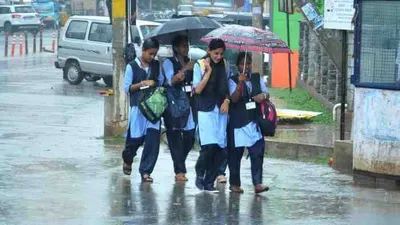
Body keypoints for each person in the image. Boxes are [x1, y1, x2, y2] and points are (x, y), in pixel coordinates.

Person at [122, 38, 164, 183]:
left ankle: (145, 171)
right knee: (134, 140)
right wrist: (143, 83)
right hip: (138, 109)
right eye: (150, 54)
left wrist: (157, 84)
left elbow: (161, 82)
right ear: (144, 51)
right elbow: (127, 88)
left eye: (155, 54)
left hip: (153, 109)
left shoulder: (157, 66)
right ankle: (128, 159)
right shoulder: (132, 66)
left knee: (152, 141)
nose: (152, 57)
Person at [227, 52, 270, 194]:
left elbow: (266, 93)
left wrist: (262, 96)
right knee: (235, 155)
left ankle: (257, 183)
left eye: (249, 63)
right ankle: (234, 184)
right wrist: (240, 82)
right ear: (238, 65)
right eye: (243, 64)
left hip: (254, 121)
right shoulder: (232, 79)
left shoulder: (257, 78)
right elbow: (233, 98)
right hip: (238, 122)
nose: (246, 67)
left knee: (257, 151)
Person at [193, 38, 230, 191]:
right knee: (208, 147)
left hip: (220, 110)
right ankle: (200, 173)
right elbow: (197, 90)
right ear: (209, 51)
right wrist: (208, 73)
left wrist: (227, 100)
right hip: (205, 110)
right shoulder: (200, 65)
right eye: (216, 53)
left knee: (220, 148)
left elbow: (227, 85)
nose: (218, 57)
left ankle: (210, 181)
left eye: (221, 54)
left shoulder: (225, 65)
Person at [162, 35, 196, 182]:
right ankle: (179, 170)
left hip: (189, 103)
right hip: (174, 103)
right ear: (175, 48)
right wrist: (184, 69)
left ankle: (180, 161)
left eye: (187, 45)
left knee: (190, 137)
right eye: (182, 46)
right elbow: (171, 81)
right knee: (175, 137)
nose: (185, 49)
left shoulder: (191, 63)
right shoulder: (169, 63)